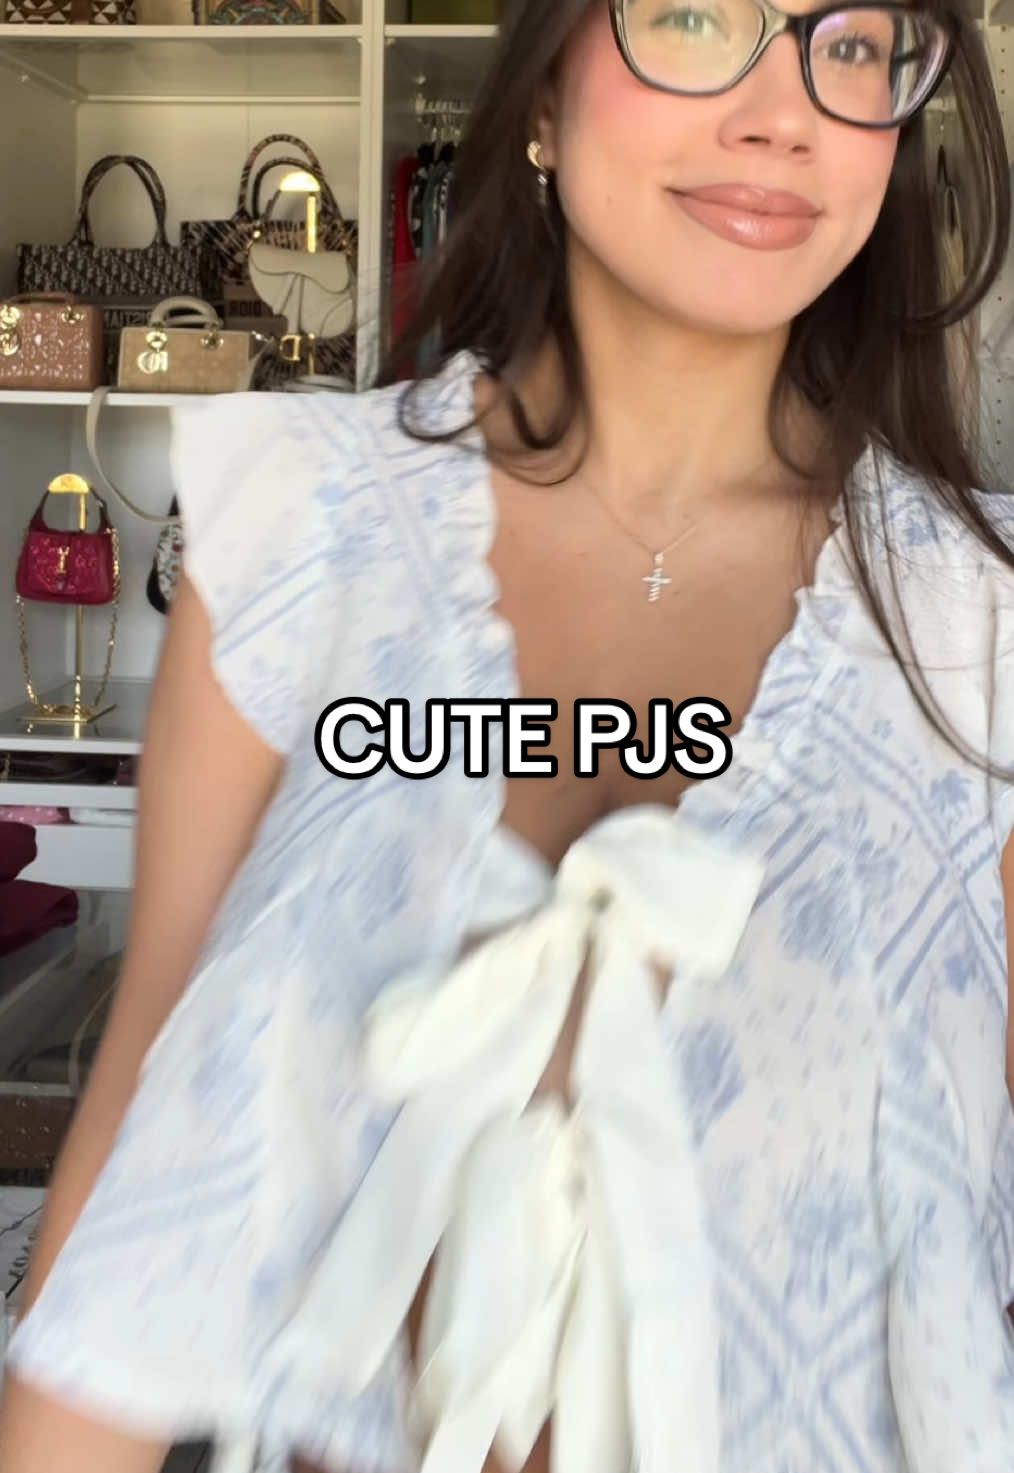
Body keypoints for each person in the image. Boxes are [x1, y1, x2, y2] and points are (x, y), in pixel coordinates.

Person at [2, 0, 1014, 1470]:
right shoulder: (299, 525)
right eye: (692, 15)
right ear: (541, 95)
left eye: (850, 41)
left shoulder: (979, 624)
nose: (782, 112)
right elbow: (144, 1138)